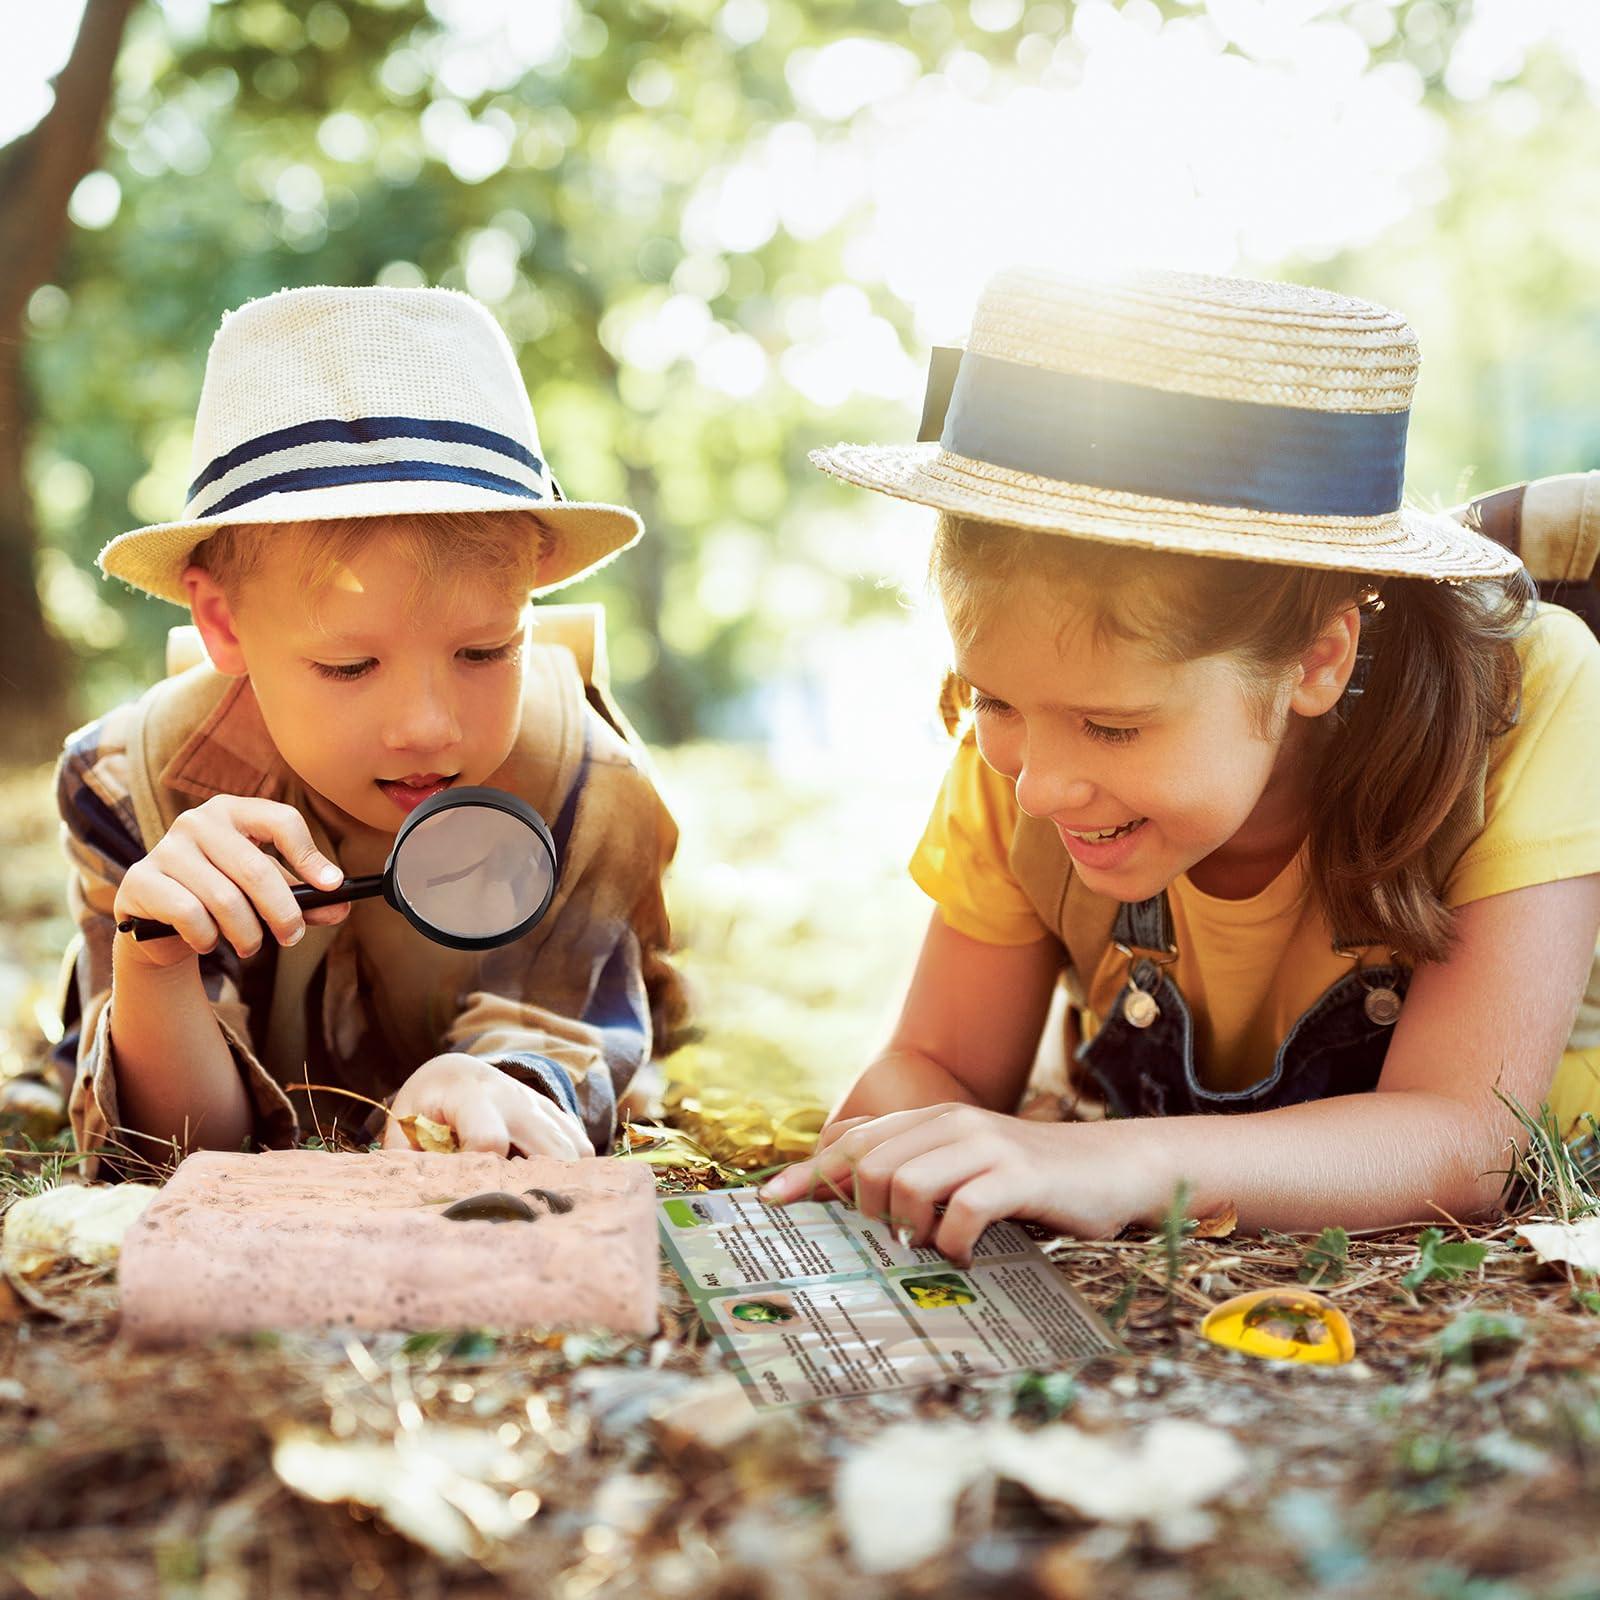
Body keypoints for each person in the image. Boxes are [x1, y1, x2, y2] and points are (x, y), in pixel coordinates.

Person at [760, 267, 1600, 1262]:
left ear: (1316, 661)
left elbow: (1461, 1138)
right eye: (993, 699)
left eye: (1112, 727)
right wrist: (883, 1147)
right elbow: (940, 1056)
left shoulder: (1520, 702)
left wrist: (1099, 1163)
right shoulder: (1031, 741)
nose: (1035, 787)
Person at [54, 285, 684, 1178]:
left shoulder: (590, 788)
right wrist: (154, 963)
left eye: (484, 649)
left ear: (535, 592)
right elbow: (174, 1151)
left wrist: (495, 1084)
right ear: (224, 623)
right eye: (349, 667)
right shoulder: (126, 784)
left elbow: (557, 1034)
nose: (428, 728)